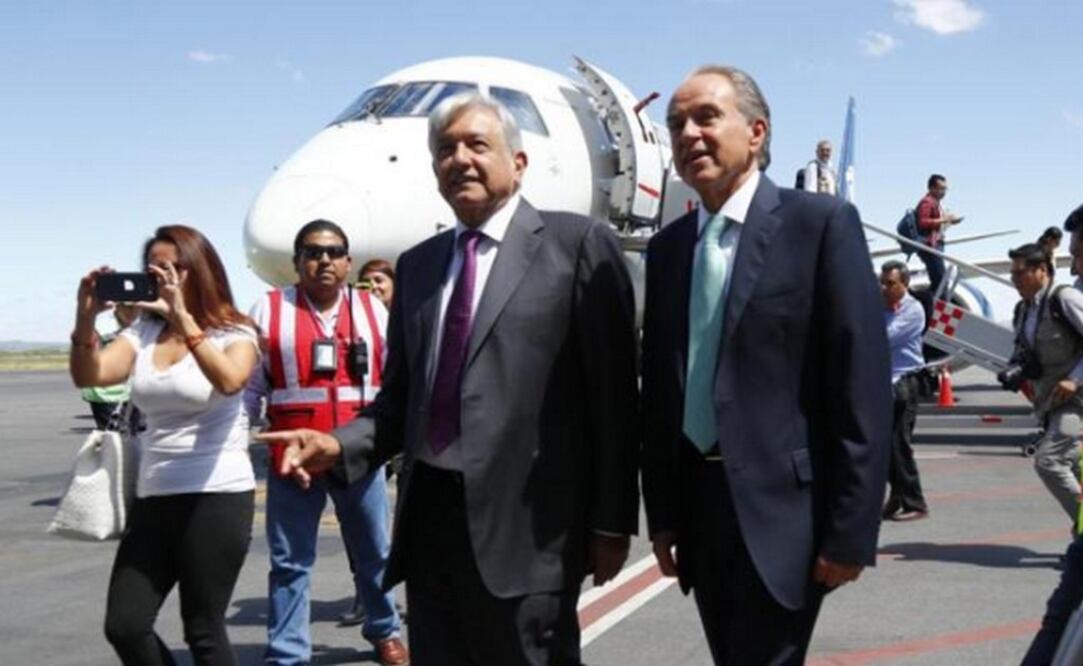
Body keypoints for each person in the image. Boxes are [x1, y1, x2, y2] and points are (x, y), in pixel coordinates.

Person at [257, 93, 640, 665]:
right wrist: (338, 443)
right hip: (432, 530)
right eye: (445, 150)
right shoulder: (420, 266)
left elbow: (613, 402)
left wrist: (612, 522)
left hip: (528, 536)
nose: (459, 159)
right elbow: (400, 402)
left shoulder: (576, 246)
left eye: (477, 145)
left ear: (519, 164)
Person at [640, 65, 891, 664]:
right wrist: (665, 514)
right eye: (676, 123)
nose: (688, 134)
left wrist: (850, 530)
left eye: (706, 117)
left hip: (786, 515)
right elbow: (663, 390)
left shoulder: (819, 225)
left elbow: (861, 387)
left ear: (756, 133)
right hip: (700, 508)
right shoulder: (670, 250)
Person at [70, 225, 260, 665]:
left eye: (174, 268)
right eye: (154, 269)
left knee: (203, 627)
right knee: (125, 624)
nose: (162, 277)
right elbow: (90, 375)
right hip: (155, 494)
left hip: (217, 495)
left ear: (201, 271)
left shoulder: (236, 331)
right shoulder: (143, 334)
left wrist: (185, 320)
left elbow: (230, 381)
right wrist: (86, 317)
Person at [245, 220, 405, 666]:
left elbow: (394, 381)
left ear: (348, 262)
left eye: (334, 252)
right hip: (293, 458)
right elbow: (251, 387)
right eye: (313, 253)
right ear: (297, 262)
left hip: (358, 453)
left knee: (375, 554)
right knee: (290, 562)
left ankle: (384, 630)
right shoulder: (269, 309)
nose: (324, 261)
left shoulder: (374, 310)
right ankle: (287, 654)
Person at [1006, 243, 1083, 525]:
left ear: (1042, 270)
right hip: (1049, 401)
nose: (1014, 280)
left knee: (1049, 462)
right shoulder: (1023, 310)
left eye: (1020, 273)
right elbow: (1023, 352)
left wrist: (1075, 380)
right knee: (1073, 470)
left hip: (1076, 400)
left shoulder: (1065, 299)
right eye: (1012, 275)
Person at [879, 261, 930, 522]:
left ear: (905, 284)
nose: (885, 288)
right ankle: (898, 494)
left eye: (891, 284)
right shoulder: (881, 307)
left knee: (899, 443)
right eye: (883, 282)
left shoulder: (913, 310)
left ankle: (915, 502)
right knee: (882, 445)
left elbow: (883, 338)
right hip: (883, 382)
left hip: (905, 383)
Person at [915, 174, 963, 292]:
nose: (943, 192)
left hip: (935, 245)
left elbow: (935, 224)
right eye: (941, 188)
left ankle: (931, 305)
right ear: (931, 188)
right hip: (930, 246)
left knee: (939, 282)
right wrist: (945, 219)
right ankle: (931, 306)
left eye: (945, 189)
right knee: (941, 283)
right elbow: (923, 222)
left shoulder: (936, 203)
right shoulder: (927, 202)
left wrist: (950, 221)